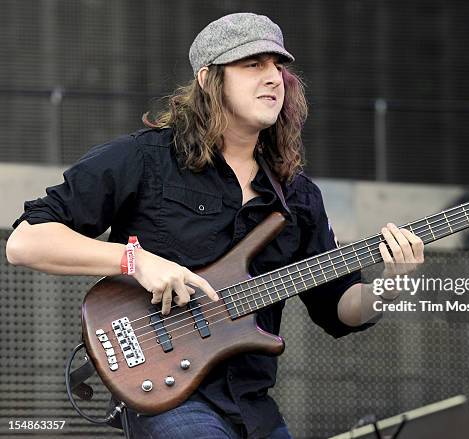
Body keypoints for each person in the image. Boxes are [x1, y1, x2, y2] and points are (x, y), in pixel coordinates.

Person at [6, 12, 424, 439]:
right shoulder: (143, 159)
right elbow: (25, 241)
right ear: (208, 79)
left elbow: (339, 307)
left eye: (278, 67)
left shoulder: (298, 196)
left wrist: (390, 288)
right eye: (252, 65)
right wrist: (135, 259)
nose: (273, 78)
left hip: (252, 405)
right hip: (166, 394)